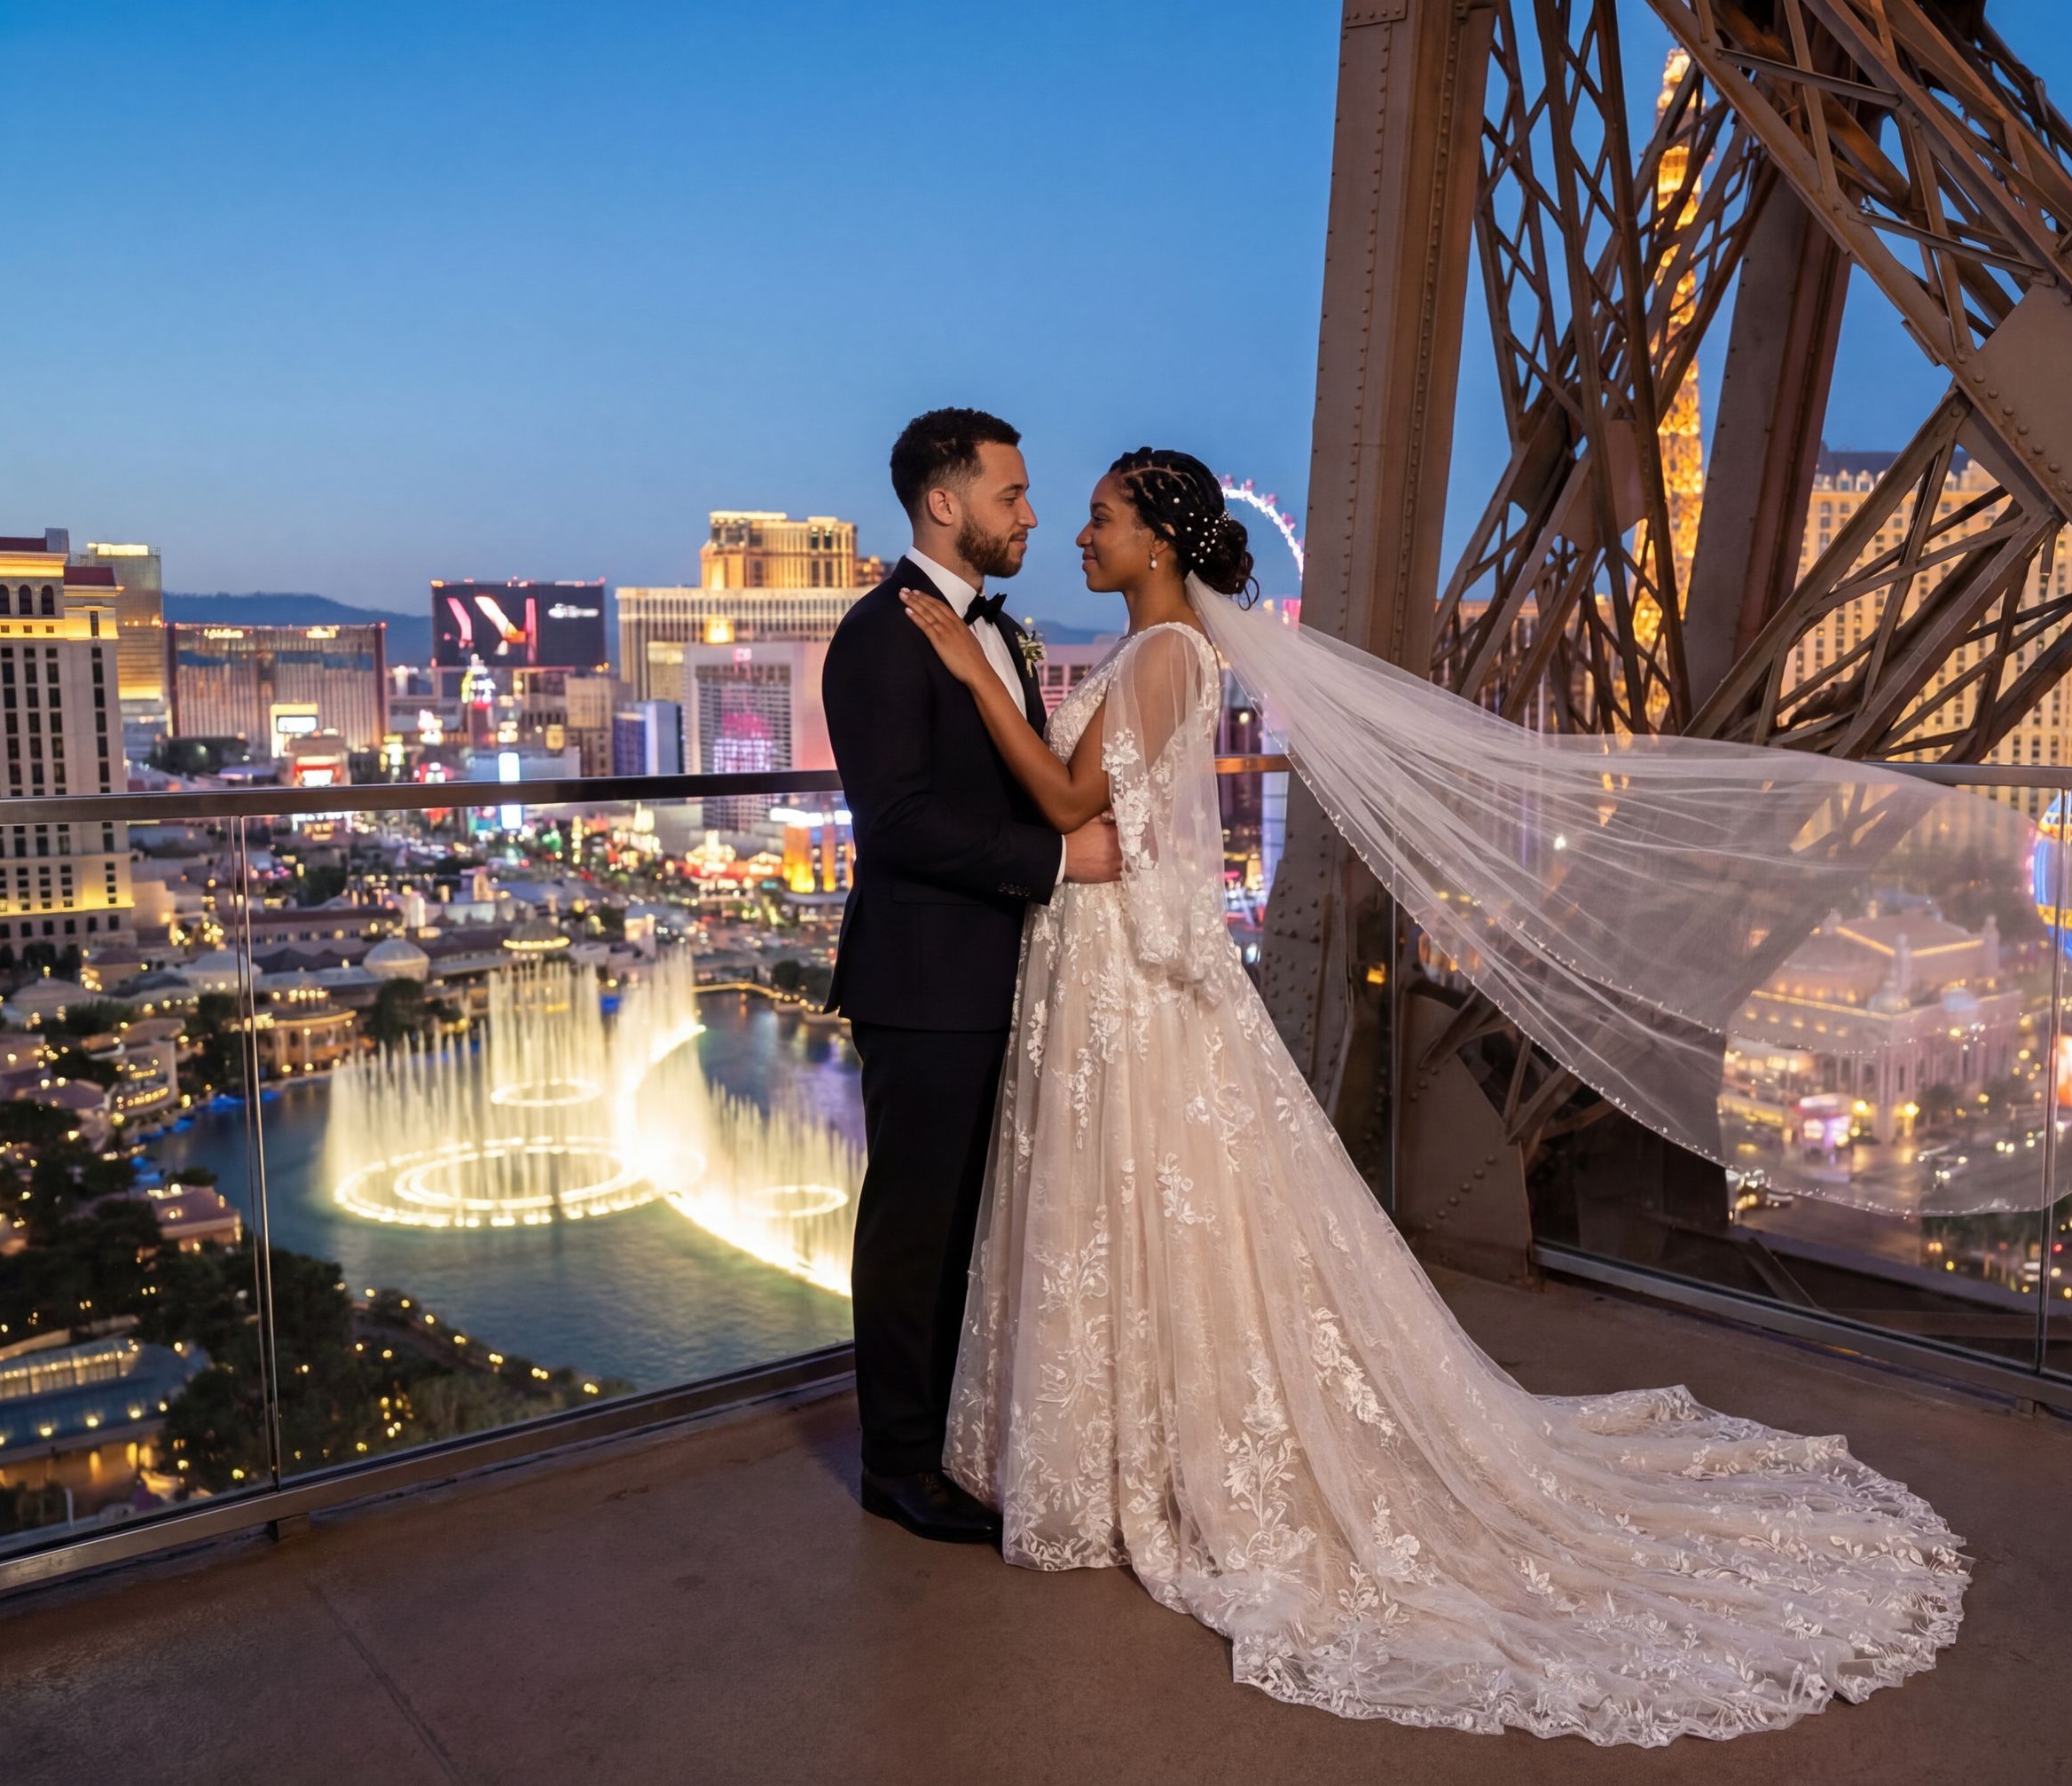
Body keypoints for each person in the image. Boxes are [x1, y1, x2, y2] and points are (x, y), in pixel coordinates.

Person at [897, 446, 1975, 1745]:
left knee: (1147, 1199)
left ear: (1164, 546)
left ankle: (1148, 1454)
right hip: (1110, 965)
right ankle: (1131, 1444)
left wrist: (970, 677)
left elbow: (1074, 799)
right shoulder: (1158, 652)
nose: (1082, 534)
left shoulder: (1167, 653)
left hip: (1125, 973)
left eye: (1103, 518)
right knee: (1148, 1209)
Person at [822, 407, 1120, 1545]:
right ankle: (895, 1466)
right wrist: (1059, 859)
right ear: (944, 504)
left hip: (1006, 976)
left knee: (978, 1229)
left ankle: (958, 1437)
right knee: (916, 1230)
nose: (1032, 515)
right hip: (926, 984)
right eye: (1011, 494)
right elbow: (897, 823)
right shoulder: (879, 638)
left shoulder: (996, 630)